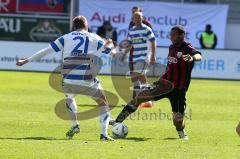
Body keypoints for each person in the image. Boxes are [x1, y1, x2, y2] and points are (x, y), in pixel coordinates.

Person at [16, 15, 116, 141]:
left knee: (70, 98)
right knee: (103, 102)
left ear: (74, 26)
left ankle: (75, 125)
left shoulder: (66, 37)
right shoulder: (94, 37)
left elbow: (46, 51)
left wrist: (27, 60)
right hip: (86, 78)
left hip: (68, 78)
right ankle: (104, 134)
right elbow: (110, 51)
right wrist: (112, 48)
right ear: (86, 26)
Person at [111, 25, 202, 140]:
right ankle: (117, 121)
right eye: (171, 35)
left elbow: (199, 55)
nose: (171, 37)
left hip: (178, 90)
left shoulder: (187, 48)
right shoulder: (171, 47)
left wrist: (193, 58)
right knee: (139, 97)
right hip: (164, 84)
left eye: (173, 35)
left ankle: (181, 130)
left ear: (181, 35)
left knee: (177, 121)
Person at [122, 12, 156, 109]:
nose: (137, 19)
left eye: (139, 17)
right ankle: (142, 99)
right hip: (135, 57)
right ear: (133, 19)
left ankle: (146, 99)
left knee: (138, 75)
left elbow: (153, 41)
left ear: (142, 18)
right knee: (135, 78)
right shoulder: (131, 30)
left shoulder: (147, 29)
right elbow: (129, 44)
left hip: (145, 56)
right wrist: (124, 54)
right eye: (135, 17)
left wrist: (153, 55)